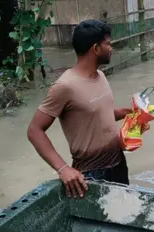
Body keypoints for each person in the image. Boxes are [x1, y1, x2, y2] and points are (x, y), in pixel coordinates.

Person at [27, 20, 132, 198]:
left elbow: (97, 114)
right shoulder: (64, 86)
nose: (111, 48)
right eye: (108, 44)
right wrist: (63, 168)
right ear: (96, 49)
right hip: (91, 175)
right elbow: (34, 131)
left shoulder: (101, 76)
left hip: (118, 164)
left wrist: (129, 114)